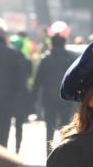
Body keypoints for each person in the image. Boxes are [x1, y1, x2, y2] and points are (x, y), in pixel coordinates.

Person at [33, 23, 77, 154]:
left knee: (49, 126)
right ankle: (63, 151)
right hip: (66, 97)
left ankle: (49, 152)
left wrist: (33, 96)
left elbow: (38, 80)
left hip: (49, 98)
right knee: (65, 126)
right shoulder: (70, 59)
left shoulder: (45, 59)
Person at [0, 18, 25, 147]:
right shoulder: (14, 54)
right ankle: (2, 163)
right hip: (7, 102)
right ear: (5, 36)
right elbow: (20, 81)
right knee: (3, 135)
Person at [9, 34, 34, 153]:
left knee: (6, 123)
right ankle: (17, 148)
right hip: (22, 95)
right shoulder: (26, 59)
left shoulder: (7, 58)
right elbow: (29, 75)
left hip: (9, 95)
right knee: (19, 124)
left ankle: (4, 148)